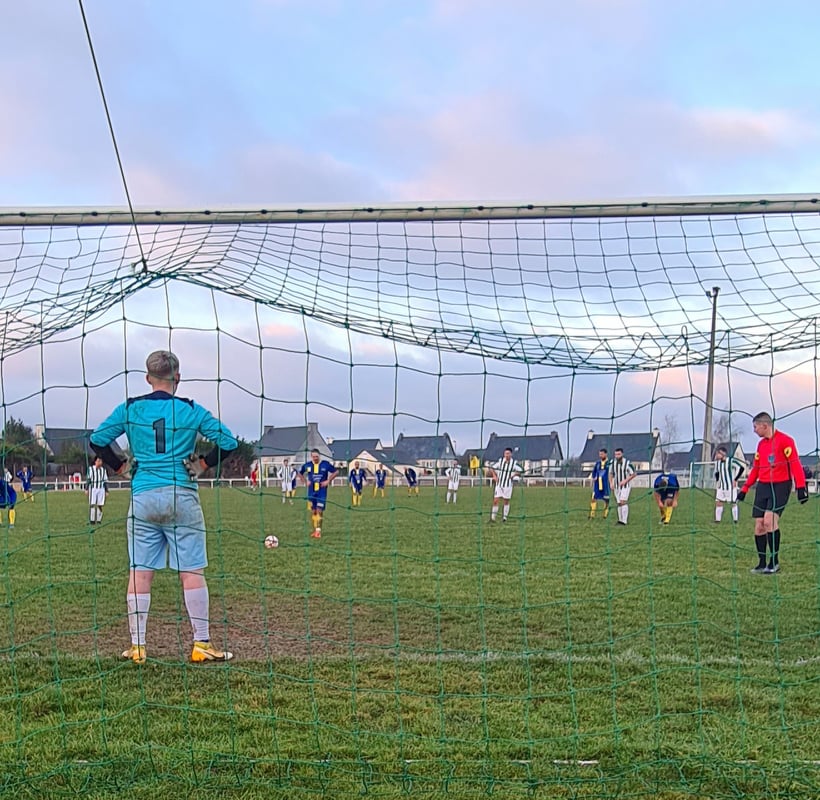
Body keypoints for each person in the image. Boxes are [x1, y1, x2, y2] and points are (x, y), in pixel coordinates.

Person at [90, 350, 238, 665]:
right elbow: (228, 442)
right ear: (178, 377)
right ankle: (201, 643)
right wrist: (202, 464)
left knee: (139, 572)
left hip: (143, 496)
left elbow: (98, 440)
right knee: (191, 571)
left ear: (147, 378)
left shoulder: (130, 408)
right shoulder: (191, 410)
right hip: (181, 496)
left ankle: (139, 647)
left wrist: (119, 466)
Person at [738, 412, 808, 574]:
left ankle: (774, 562)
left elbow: (795, 464)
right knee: (759, 526)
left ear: (765, 425)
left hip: (780, 486)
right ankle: (762, 563)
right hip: (763, 486)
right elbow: (756, 469)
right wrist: (745, 488)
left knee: (769, 521)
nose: (754, 431)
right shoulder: (761, 445)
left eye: (755, 427)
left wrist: (801, 487)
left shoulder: (786, 441)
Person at [299, 449, 338, 538]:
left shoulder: (325, 464)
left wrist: (328, 480)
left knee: (320, 510)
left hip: (322, 491)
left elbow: (336, 472)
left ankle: (318, 531)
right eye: (313, 457)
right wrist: (305, 481)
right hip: (311, 491)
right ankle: (315, 529)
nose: (315, 458)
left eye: (317, 456)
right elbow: (300, 473)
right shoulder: (308, 465)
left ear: (319, 456)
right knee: (313, 511)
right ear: (311, 456)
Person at [488, 447, 523, 523]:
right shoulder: (500, 462)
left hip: (508, 485)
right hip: (499, 485)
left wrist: (514, 475)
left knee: (506, 501)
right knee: (495, 501)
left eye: (508, 453)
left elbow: (521, 470)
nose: (506, 455)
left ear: (511, 454)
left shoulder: (513, 463)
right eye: (505, 453)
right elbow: (491, 468)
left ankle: (504, 518)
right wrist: (494, 476)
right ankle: (493, 518)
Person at [714, 446, 745, 524]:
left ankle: (735, 520)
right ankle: (717, 520)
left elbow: (741, 468)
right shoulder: (717, 463)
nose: (717, 455)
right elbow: (717, 472)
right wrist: (717, 481)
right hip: (721, 486)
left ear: (723, 454)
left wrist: (735, 479)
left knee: (733, 503)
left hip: (730, 487)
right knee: (718, 502)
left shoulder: (731, 461)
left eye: (718, 453)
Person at [611, 447, 636, 525]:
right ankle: (620, 520)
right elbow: (610, 473)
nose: (617, 456)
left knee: (623, 501)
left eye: (619, 454)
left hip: (625, 486)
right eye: (616, 454)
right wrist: (611, 483)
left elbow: (634, 474)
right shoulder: (612, 463)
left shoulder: (628, 463)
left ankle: (624, 521)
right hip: (616, 486)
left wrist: (625, 481)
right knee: (619, 503)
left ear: (622, 454)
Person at [588, 448, 610, 519]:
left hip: (606, 485)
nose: (600, 455)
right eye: (599, 454)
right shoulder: (597, 463)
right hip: (597, 485)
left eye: (602, 454)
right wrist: (594, 477)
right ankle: (592, 514)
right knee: (593, 499)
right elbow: (594, 472)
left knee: (606, 500)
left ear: (606, 454)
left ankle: (605, 514)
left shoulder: (610, 463)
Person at [87, 455, 108, 525]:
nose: (100, 463)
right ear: (95, 462)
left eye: (101, 461)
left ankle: (99, 520)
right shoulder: (91, 469)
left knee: (100, 505)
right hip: (93, 489)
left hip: (101, 489)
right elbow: (88, 479)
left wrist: (106, 490)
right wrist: (86, 489)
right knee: (92, 504)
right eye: (98, 461)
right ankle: (92, 520)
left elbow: (105, 481)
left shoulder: (103, 470)